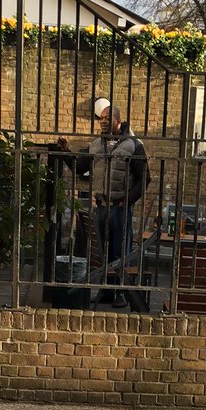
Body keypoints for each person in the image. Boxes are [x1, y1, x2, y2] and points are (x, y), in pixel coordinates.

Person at [72, 105, 149, 304]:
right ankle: (106, 292)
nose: (103, 121)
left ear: (118, 121)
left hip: (119, 208)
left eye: (107, 118)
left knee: (119, 252)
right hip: (101, 206)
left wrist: (127, 201)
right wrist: (64, 151)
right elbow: (79, 167)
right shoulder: (96, 144)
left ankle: (120, 294)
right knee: (101, 251)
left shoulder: (133, 145)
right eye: (101, 119)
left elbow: (144, 179)